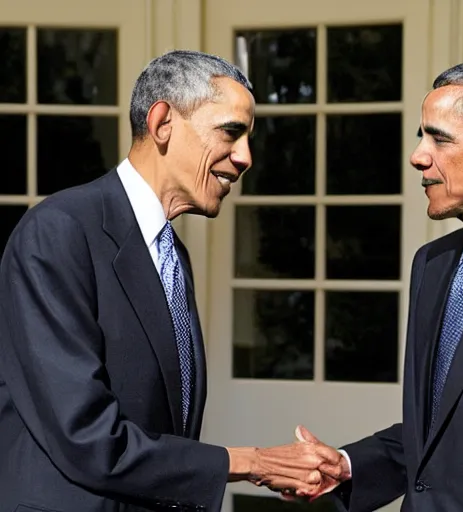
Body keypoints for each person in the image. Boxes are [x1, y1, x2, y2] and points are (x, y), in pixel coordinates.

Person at [0, 50, 343, 512]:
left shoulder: (168, 250)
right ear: (162, 122)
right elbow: (86, 436)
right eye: (231, 132)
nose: (245, 157)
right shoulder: (59, 231)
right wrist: (250, 462)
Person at [300, 59, 463, 511]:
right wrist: (348, 464)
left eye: (439, 137)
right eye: (421, 136)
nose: (418, 154)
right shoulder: (434, 265)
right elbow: (440, 433)